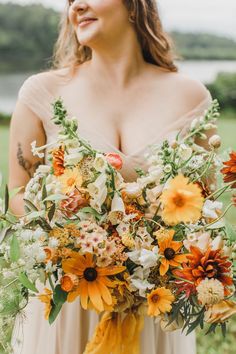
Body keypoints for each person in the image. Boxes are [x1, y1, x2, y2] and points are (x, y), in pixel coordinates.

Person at [9, 1, 214, 353]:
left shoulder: (191, 98)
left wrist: (152, 253)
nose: (78, 6)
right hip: (70, 299)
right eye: (72, 1)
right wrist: (70, 242)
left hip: (152, 304)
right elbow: (18, 192)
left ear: (134, 6)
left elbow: (203, 205)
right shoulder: (42, 94)